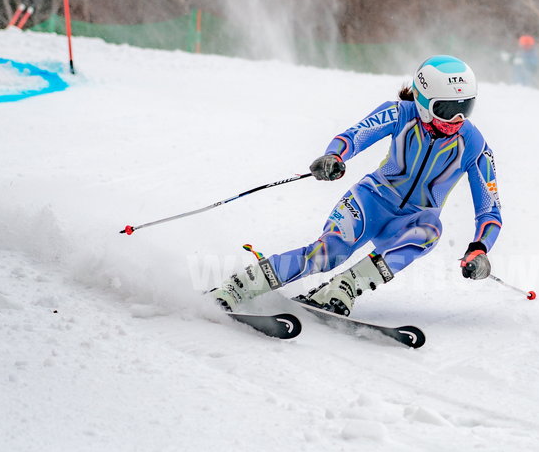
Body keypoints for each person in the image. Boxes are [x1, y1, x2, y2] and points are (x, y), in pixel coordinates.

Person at [210, 55, 502, 315]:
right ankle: (239, 286)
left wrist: (480, 248)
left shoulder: (473, 144)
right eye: (448, 108)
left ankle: (345, 287)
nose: (458, 118)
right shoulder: (400, 113)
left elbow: (490, 209)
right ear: (424, 102)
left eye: (466, 107)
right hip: (370, 201)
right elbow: (354, 135)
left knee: (431, 229)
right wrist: (334, 156)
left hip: (411, 221)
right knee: (328, 253)